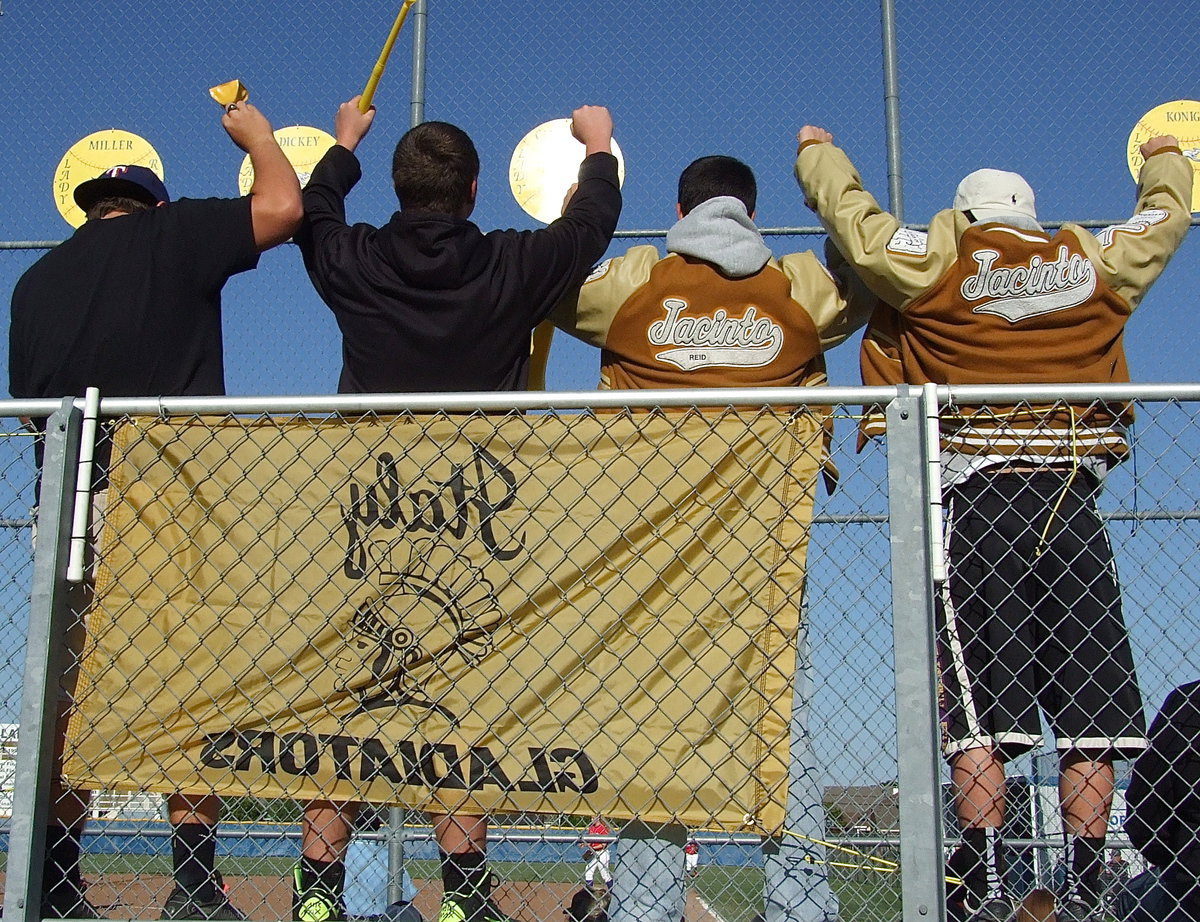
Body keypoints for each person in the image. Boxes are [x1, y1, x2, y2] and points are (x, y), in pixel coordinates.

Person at [794, 125, 1193, 922]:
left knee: (980, 713)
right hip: (1071, 497)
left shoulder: (936, 261)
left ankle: (984, 881)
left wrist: (817, 155)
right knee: (1091, 716)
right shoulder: (1089, 260)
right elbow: (1164, 221)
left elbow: (858, 225)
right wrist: (1165, 161)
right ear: (1030, 217)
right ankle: (1087, 887)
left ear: (966, 217)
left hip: (979, 501)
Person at [293, 93, 621, 922]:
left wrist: (343, 145)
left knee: (343, 705)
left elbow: (313, 210)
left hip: (366, 514)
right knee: (462, 707)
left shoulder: (356, 260)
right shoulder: (510, 264)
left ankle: (318, 897)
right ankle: (465, 898)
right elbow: (589, 227)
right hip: (470, 521)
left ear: (399, 188)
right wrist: (598, 147)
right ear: (474, 190)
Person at [551, 154, 871, 922]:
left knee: (649, 737)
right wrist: (828, 182)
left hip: (648, 556)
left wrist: (577, 198)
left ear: (679, 210)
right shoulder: (795, 287)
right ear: (752, 213)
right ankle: (802, 908)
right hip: (764, 554)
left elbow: (550, 283)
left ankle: (643, 909)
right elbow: (868, 273)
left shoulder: (637, 283)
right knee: (778, 731)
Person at [8, 100, 303, 919]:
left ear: (89, 209)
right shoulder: (172, 234)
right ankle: (195, 884)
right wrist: (259, 138)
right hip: (167, 501)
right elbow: (283, 207)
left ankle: (57, 881)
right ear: (153, 203)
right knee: (188, 688)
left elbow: (31, 407)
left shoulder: (35, 281)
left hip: (67, 503)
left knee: (66, 696)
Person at [1122, 681, 1200, 922]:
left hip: (1192, 874)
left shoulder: (1190, 702)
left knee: (1130, 897)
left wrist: (1172, 858)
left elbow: (1145, 805)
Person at [583, 820, 613, 891]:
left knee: (604, 874)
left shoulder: (603, 828)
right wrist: (584, 844)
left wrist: (592, 848)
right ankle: (589, 892)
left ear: (598, 818)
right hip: (593, 853)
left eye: (593, 818)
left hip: (602, 853)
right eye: (591, 818)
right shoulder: (591, 828)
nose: (592, 820)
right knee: (588, 872)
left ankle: (612, 891)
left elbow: (603, 845)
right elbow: (590, 841)